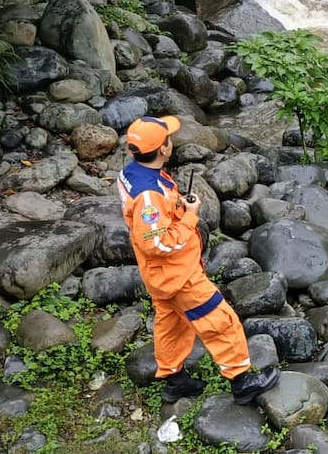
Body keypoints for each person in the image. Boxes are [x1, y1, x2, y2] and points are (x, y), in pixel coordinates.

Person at [117, 115, 279, 405]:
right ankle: (242, 381)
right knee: (221, 321)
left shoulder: (133, 173)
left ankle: (174, 380)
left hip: (159, 275)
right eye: (168, 139)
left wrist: (179, 205)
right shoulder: (149, 196)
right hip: (177, 275)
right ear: (164, 149)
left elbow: (153, 220)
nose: (171, 142)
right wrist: (190, 216)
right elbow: (156, 242)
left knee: (171, 324)